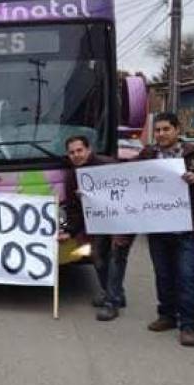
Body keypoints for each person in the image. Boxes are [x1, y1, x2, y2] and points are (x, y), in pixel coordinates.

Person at [138, 112, 194, 348]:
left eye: (166, 129)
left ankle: (188, 326)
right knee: (163, 275)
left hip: (187, 229)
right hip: (158, 228)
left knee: (186, 277)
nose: (161, 134)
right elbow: (127, 179)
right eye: (157, 130)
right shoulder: (148, 155)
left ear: (177, 130)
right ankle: (167, 315)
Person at [60, 135, 134, 321]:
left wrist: (124, 229)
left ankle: (111, 303)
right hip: (99, 223)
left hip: (121, 220)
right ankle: (114, 293)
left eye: (79, 150)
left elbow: (131, 193)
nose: (76, 155)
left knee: (117, 258)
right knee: (98, 258)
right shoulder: (72, 176)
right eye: (72, 152)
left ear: (89, 150)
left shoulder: (108, 165)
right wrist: (69, 231)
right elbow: (74, 209)